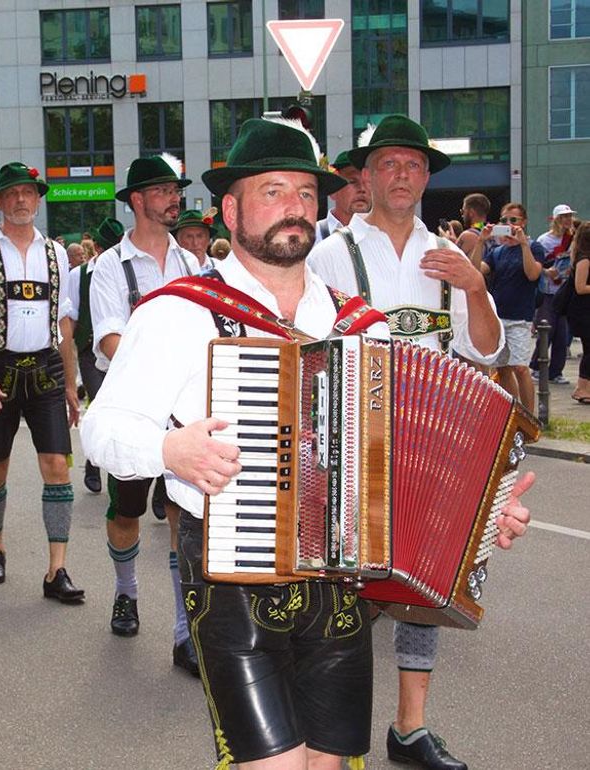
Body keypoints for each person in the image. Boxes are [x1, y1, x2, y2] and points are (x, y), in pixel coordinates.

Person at [82, 115, 533, 770]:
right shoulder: (177, 312)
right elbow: (101, 428)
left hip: (340, 584)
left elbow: (402, 459)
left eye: (303, 193)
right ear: (230, 209)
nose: (293, 208)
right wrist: (168, 452)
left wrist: (484, 516)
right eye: (272, 191)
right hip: (230, 582)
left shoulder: (360, 324)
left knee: (326, 765)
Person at [308, 114, 504, 770]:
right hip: (351, 443)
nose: (400, 175)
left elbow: (486, 347)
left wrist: (475, 286)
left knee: (423, 587)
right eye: (387, 164)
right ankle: (337, 731)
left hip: (429, 445)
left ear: (425, 177)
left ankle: (410, 728)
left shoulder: (446, 259)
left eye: (412, 165)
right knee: (349, 590)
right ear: (364, 176)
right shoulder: (328, 253)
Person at [88, 153, 201, 674]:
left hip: (182, 411)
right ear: (137, 201)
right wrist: (163, 361)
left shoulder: (192, 265)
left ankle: (184, 629)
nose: (174, 198)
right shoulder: (107, 267)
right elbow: (110, 339)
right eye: (162, 191)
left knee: (183, 514)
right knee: (127, 514)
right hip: (135, 409)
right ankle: (126, 590)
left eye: (175, 190)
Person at [0, 162, 84, 602]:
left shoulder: (56, 253)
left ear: (38, 198)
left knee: (58, 466)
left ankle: (56, 570)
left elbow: (63, 323)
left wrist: (70, 383)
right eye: (12, 193)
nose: (22, 200)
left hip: (45, 368)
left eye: (29, 192)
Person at [470, 203, 545, 414]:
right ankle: (513, 413)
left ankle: (529, 418)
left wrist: (523, 245)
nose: (509, 225)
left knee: (520, 368)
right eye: (505, 221)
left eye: (514, 220)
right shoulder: (497, 251)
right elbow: (476, 270)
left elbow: (533, 274)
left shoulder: (534, 247)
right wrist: (480, 241)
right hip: (498, 316)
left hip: (520, 317)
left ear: (524, 222)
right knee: (502, 369)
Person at [68, 216, 124, 494]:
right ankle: (93, 461)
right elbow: (70, 320)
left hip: (122, 352)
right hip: (90, 353)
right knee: (101, 402)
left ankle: (114, 468)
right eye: (108, 249)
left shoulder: (125, 271)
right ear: (98, 250)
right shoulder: (78, 276)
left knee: (119, 408)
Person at [532, 204, 578, 384]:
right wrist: (545, 271)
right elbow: (537, 263)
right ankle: (536, 366)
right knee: (547, 329)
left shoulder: (573, 238)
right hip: (548, 291)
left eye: (569, 216)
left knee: (562, 333)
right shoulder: (544, 240)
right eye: (564, 216)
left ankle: (556, 371)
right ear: (557, 219)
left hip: (565, 292)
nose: (568, 220)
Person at [314, 150, 371, 241]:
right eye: (352, 181)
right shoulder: (312, 237)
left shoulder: (385, 236)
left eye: (368, 182)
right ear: (334, 190)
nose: (362, 189)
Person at [563, 221, 590, 403]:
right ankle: (581, 387)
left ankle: (585, 387)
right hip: (583, 312)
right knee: (589, 350)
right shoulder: (584, 259)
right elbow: (580, 287)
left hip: (584, 310)